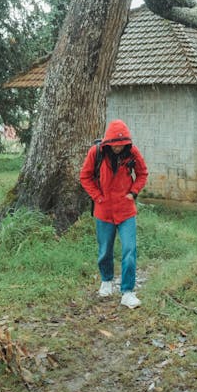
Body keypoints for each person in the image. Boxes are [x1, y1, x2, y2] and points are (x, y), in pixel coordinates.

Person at [80, 119, 148, 309]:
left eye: (121, 145)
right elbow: (84, 176)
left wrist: (133, 193)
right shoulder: (97, 152)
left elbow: (142, 173)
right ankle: (106, 281)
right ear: (108, 142)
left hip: (126, 210)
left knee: (129, 250)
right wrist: (97, 197)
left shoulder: (132, 152)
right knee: (105, 251)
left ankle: (127, 292)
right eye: (114, 145)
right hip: (104, 210)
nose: (118, 149)